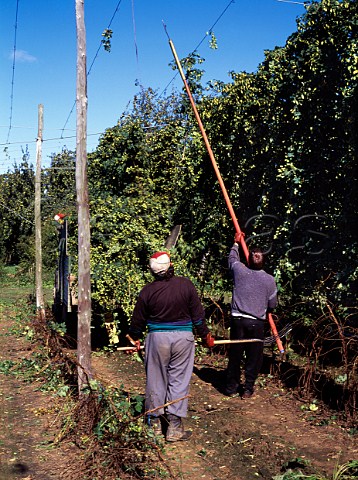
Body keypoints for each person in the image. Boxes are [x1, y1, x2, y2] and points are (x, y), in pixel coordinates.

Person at [128, 251, 215, 442]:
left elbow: (138, 321)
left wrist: (134, 338)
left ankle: (155, 426)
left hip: (157, 339)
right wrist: (206, 336)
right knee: (179, 380)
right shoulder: (186, 285)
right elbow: (198, 316)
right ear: (171, 266)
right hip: (183, 339)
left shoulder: (147, 291)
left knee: (156, 379)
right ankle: (174, 428)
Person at [224, 232, 278, 399]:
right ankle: (247, 389)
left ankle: (231, 387)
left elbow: (232, 259)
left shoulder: (240, 270)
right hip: (256, 323)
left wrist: (236, 243)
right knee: (254, 358)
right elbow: (272, 305)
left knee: (235, 354)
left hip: (238, 321)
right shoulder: (270, 280)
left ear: (247, 260)